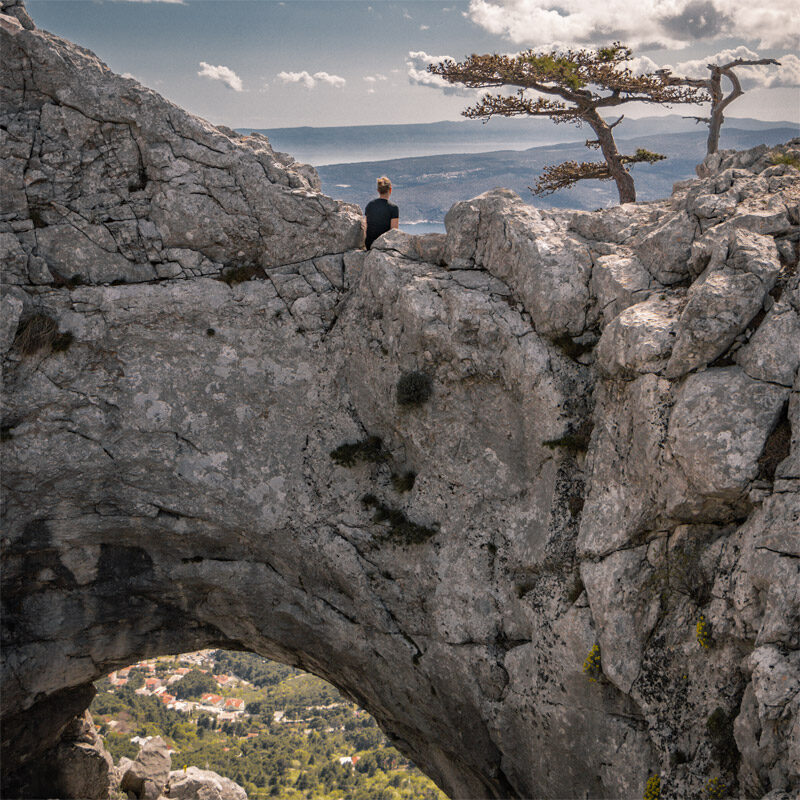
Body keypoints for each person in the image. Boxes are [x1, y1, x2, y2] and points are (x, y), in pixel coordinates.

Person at [364, 176, 399, 249]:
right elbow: (394, 231)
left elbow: (365, 228)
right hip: (384, 245)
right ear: (390, 190)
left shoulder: (370, 205)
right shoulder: (393, 208)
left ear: (378, 190)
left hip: (369, 244)